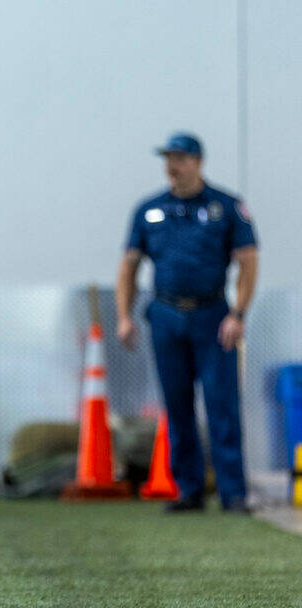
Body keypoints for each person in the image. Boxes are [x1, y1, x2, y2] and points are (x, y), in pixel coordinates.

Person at [116, 132, 259, 513]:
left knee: (221, 404)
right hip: (164, 315)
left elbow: (248, 261)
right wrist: (124, 316)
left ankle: (233, 493)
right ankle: (188, 489)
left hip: (212, 317)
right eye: (167, 158)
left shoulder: (226, 207)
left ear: (197, 161)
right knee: (176, 405)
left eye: (179, 158)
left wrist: (238, 314)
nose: (171, 166)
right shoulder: (149, 210)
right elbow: (128, 266)